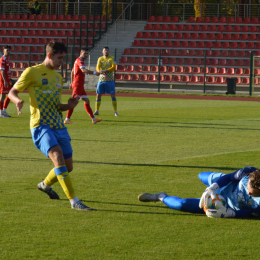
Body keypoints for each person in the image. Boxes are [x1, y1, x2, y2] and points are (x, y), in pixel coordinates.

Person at [8, 41, 94, 211]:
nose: (62, 61)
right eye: (60, 58)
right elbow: (12, 91)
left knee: (67, 167)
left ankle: (45, 185)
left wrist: (68, 106)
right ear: (49, 55)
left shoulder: (58, 77)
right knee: (57, 158)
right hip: (41, 126)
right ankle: (74, 201)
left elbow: (56, 105)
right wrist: (17, 100)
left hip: (58, 126)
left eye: (63, 58)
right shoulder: (32, 72)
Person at [138, 166, 260, 218]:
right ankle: (213, 183)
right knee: (201, 175)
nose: (249, 194)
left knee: (182, 204)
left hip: (223, 205)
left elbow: (248, 213)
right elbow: (230, 177)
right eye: (249, 189)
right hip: (225, 184)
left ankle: (159, 196)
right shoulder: (249, 172)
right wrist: (212, 188)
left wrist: (228, 213)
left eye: (253, 194)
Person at [64, 47, 101, 125]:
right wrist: (95, 73)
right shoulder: (80, 60)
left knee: (86, 100)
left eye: (87, 53)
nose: (86, 55)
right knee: (74, 101)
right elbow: (83, 70)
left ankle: (94, 119)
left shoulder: (78, 60)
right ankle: (67, 119)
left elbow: (72, 71)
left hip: (79, 84)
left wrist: (71, 82)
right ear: (81, 53)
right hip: (78, 84)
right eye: (85, 53)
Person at [93, 47, 118, 117]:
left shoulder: (112, 58)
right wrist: (103, 74)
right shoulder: (100, 58)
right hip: (101, 79)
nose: (106, 51)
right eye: (104, 50)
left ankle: (115, 111)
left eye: (107, 50)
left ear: (109, 51)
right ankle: (96, 110)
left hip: (110, 79)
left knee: (113, 95)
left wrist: (104, 71)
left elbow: (113, 67)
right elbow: (98, 68)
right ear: (102, 51)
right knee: (98, 95)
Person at [0, 45, 12, 118]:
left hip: (7, 80)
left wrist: (9, 79)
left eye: (9, 50)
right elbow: (2, 71)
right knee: (3, 96)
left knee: (10, 95)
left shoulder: (7, 59)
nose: (8, 52)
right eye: (7, 50)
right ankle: (1, 112)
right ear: (3, 51)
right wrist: (5, 81)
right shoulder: (3, 59)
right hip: (3, 80)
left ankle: (4, 111)